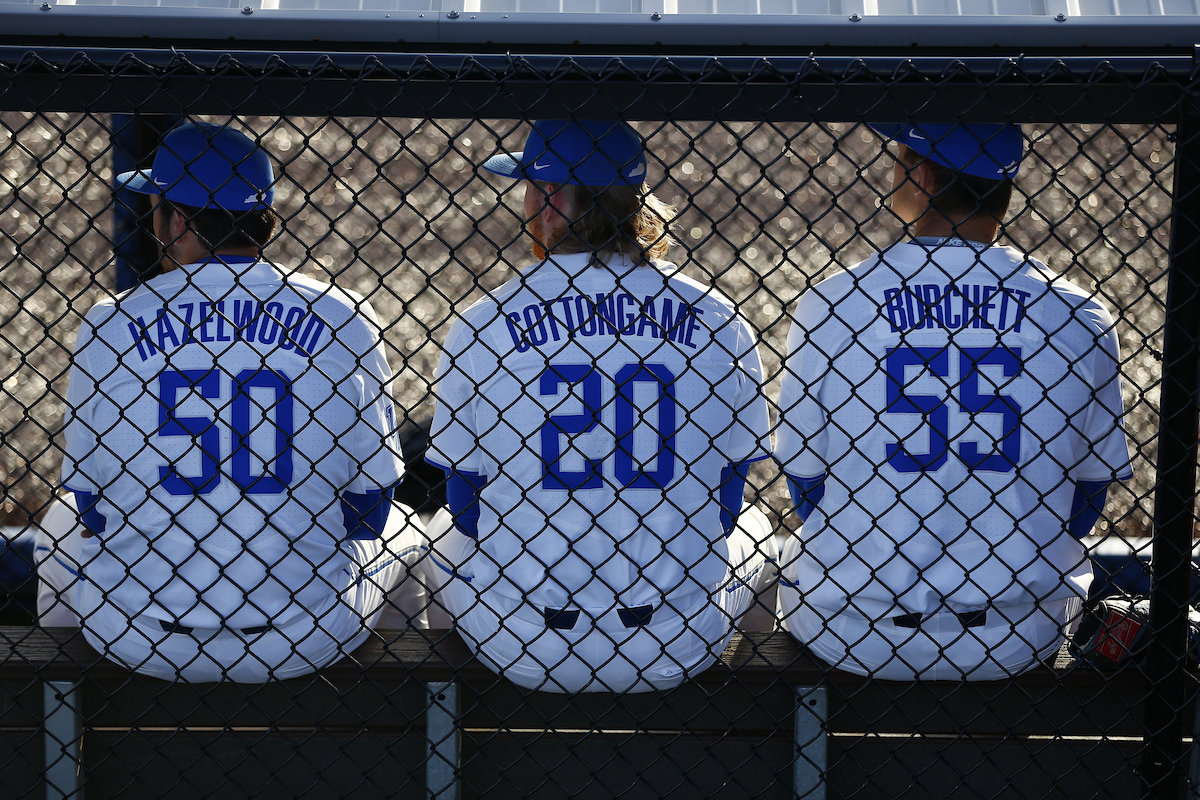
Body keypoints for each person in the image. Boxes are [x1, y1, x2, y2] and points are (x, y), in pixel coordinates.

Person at [38, 121, 426, 682]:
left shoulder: (110, 324)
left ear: (178, 220)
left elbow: (94, 510)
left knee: (58, 524)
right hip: (306, 637)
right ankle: (402, 722)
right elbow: (369, 513)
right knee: (413, 534)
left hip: (137, 636)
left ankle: (68, 718)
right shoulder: (341, 315)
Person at [422, 119, 777, 693]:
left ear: (553, 201)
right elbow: (727, 503)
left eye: (530, 189)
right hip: (676, 640)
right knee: (760, 529)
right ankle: (749, 731)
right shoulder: (715, 318)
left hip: (522, 643)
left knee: (436, 533)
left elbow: (467, 509)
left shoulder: (483, 323)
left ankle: (458, 725)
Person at [774, 122, 1134, 681]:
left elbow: (807, 491)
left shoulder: (835, 302)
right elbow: (1085, 504)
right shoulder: (1076, 314)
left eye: (898, 160)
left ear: (921, 176)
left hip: (852, 630)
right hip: (1016, 634)